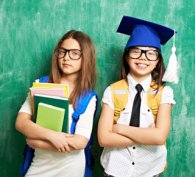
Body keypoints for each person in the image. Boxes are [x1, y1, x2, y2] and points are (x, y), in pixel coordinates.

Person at [98, 16, 176, 177]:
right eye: (136, 51)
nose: (143, 57)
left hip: (150, 170)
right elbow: (104, 139)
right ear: (127, 57)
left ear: (157, 61)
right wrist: (146, 135)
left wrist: (119, 129)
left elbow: (159, 137)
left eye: (151, 53)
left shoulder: (164, 93)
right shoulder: (111, 91)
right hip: (115, 169)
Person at [15, 30, 97, 177]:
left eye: (74, 53)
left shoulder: (88, 96)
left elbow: (80, 142)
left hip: (71, 167)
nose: (66, 58)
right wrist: (52, 136)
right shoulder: (41, 84)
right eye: (62, 52)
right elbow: (21, 122)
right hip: (40, 163)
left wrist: (35, 141)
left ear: (86, 57)